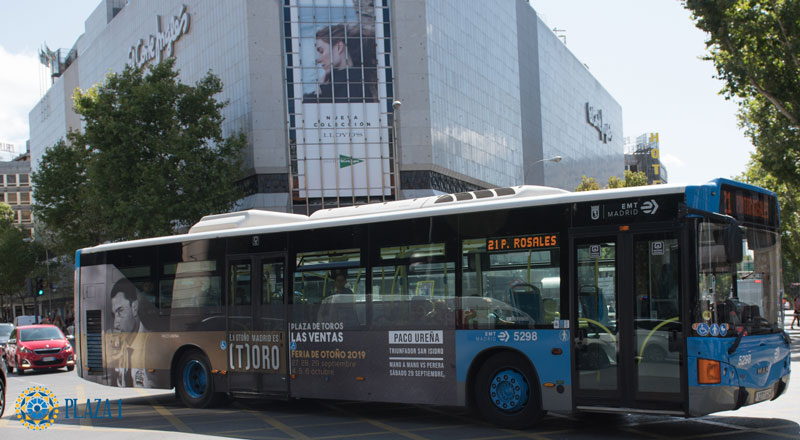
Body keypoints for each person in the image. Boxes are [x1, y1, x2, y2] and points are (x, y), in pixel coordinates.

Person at [303, 24, 377, 103]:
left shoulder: (350, 89)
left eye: (321, 51)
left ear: (339, 47)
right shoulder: (355, 81)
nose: (318, 59)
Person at [109, 278, 151, 388]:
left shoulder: (152, 344)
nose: (116, 323)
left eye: (120, 311)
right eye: (114, 315)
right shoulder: (121, 348)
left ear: (134, 307)